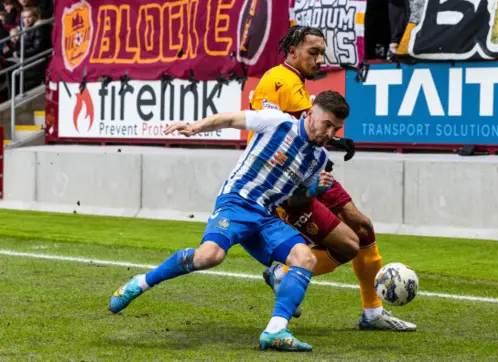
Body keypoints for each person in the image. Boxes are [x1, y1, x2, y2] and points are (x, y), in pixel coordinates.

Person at [108, 90, 351, 352]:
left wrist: (313, 191)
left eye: (335, 129)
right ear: (311, 113)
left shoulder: (319, 159)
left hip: (267, 217)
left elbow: (294, 201)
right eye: (327, 125)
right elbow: (230, 119)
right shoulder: (277, 122)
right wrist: (194, 127)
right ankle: (141, 283)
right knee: (209, 257)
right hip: (237, 203)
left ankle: (276, 330)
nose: (330, 134)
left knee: (306, 258)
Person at [251, 25, 416, 331]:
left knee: (362, 229)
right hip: (291, 181)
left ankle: (372, 313)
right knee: (350, 241)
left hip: (308, 171)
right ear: (292, 51)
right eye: (312, 52)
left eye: (321, 54)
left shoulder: (292, 82)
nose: (318, 60)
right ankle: (284, 275)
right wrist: (334, 143)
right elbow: (285, 129)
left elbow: (309, 128)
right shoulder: (279, 80)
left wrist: (336, 142)